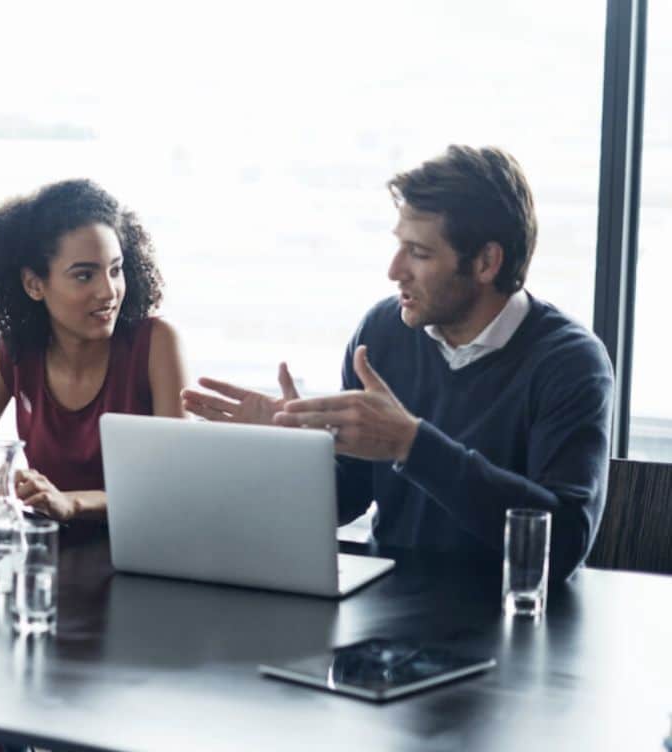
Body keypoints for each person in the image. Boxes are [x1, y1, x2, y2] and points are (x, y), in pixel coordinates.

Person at [183, 145, 613, 580]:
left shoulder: (570, 362)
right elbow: (348, 494)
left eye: (419, 253)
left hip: (509, 621)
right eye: (398, 246)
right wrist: (284, 452)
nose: (394, 270)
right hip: (389, 610)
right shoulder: (383, 331)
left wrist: (410, 444)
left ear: (486, 263)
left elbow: (564, 544)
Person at [0, 178, 188, 521]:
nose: (109, 291)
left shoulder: (156, 344)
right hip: (52, 553)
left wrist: (71, 503)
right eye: (85, 276)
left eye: (115, 270)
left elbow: (174, 487)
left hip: (145, 555)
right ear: (34, 284)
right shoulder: (18, 353)